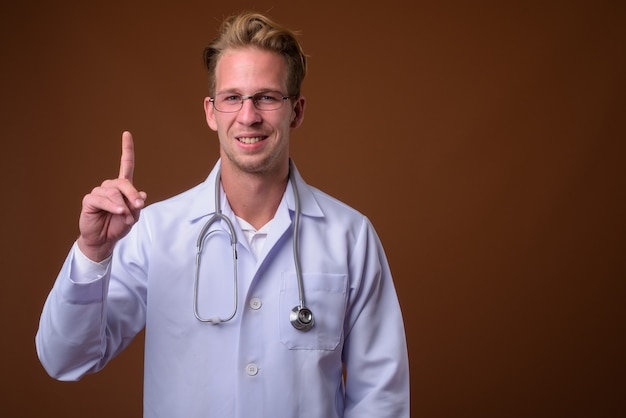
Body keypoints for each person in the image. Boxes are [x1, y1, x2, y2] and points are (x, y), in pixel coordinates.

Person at [36, 11, 409, 418]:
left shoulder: (350, 237)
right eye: (233, 98)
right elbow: (64, 359)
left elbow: (380, 399)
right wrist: (93, 252)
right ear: (211, 111)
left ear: (296, 111)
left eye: (267, 97)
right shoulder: (154, 233)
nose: (248, 116)